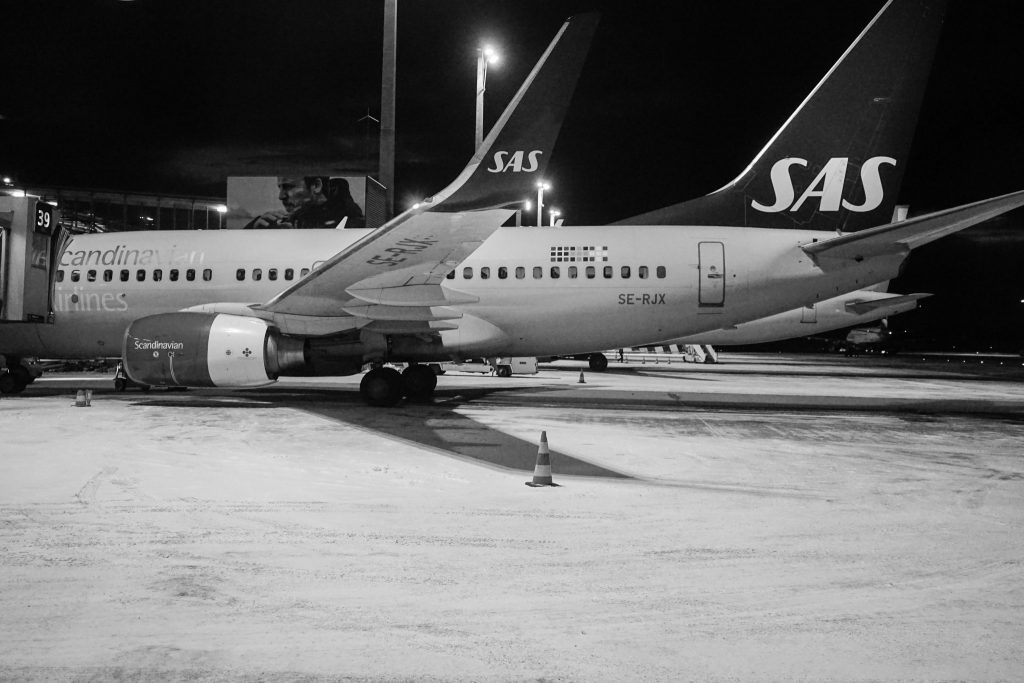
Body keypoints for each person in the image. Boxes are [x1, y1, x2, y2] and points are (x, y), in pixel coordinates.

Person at [244, 175, 365, 229]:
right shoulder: (282, 222)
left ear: (316, 186)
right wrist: (254, 234)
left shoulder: (354, 226)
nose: (281, 196)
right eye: (279, 188)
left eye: (288, 187)